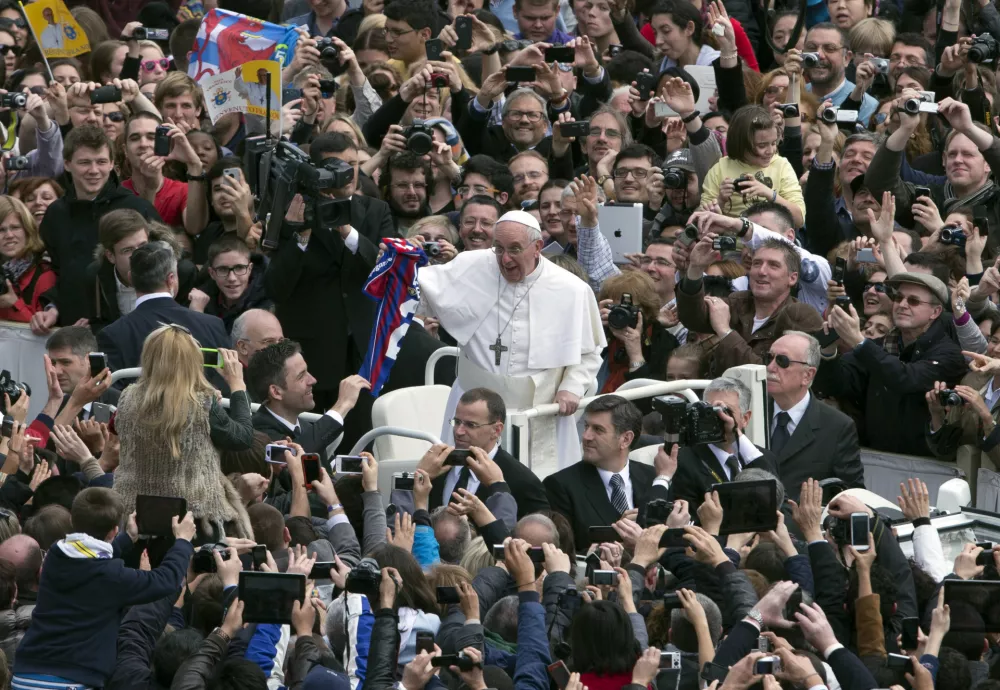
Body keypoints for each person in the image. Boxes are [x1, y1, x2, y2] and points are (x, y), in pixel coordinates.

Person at [418, 210, 605, 477]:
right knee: (460, 480)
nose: (504, 259)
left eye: (515, 249)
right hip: (473, 400)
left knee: (537, 485)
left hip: (538, 408)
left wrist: (572, 388)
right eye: (498, 249)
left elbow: (590, 350)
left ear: (537, 246)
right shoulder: (471, 265)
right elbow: (418, 290)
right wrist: (400, 258)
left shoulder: (571, 289)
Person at [266, 132, 393, 447]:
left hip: (364, 350)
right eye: (336, 166)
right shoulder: (290, 212)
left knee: (361, 442)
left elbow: (386, 273)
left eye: (353, 163)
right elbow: (276, 288)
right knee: (311, 443)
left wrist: (346, 230)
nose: (347, 173)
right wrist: (300, 235)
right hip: (313, 355)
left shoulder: (375, 211)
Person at [11, 488, 196, 689]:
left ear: (73, 520)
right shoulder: (113, 577)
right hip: (69, 681)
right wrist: (182, 542)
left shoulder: (55, 555)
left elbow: (92, 561)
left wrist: (127, 539)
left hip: (24, 673)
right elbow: (165, 580)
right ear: (113, 530)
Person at [113, 325, 253, 540]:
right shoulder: (202, 403)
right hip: (194, 520)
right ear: (192, 361)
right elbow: (242, 437)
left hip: (135, 517)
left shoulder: (127, 398)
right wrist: (237, 386)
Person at [818, 269, 968, 456]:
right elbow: (834, 385)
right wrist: (828, 350)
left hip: (926, 467)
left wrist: (858, 340)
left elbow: (905, 378)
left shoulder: (949, 354)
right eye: (898, 298)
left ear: (935, 312)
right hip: (874, 458)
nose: (902, 305)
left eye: (913, 301)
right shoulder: (878, 346)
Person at [34, 125, 160, 332]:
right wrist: (53, 307)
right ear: (67, 164)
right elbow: (57, 272)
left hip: (128, 329)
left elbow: (160, 271)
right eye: (84, 162)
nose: (94, 171)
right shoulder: (55, 214)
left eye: (101, 162)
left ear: (112, 164)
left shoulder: (137, 209)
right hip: (72, 329)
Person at [676, 235, 821, 376]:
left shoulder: (801, 317)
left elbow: (770, 375)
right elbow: (691, 317)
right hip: (721, 396)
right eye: (757, 263)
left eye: (773, 265)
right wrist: (695, 268)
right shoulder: (738, 301)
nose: (762, 271)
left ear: (792, 278)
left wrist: (725, 332)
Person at [95, 241, 230, 380]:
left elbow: (110, 394)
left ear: (131, 279)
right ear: (171, 279)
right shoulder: (213, 326)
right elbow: (227, 383)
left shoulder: (112, 334)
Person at [543, 395, 654, 547]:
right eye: (586, 426)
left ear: (626, 439)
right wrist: (619, 535)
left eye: (598, 430)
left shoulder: (654, 477)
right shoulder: (560, 486)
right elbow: (565, 553)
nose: (586, 436)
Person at [765, 332, 864, 500]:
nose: (770, 367)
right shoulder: (749, 412)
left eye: (782, 361)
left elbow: (852, 494)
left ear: (808, 375)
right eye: (769, 358)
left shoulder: (837, 426)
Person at [422, 387, 549, 518]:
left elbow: (540, 533)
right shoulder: (436, 465)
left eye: (471, 425)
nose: (459, 431)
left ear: (497, 430)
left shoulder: (522, 481)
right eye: (457, 422)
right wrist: (420, 476)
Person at [246, 339, 371, 467]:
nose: (313, 380)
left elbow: (328, 471)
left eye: (307, 371)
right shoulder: (258, 435)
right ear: (276, 392)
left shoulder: (305, 428)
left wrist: (359, 469)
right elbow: (296, 458)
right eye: (301, 376)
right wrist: (342, 404)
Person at [665, 376, 778, 512]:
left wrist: (735, 434)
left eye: (726, 411)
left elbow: (780, 506)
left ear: (745, 419)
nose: (717, 418)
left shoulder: (763, 457)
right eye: (710, 411)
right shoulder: (685, 461)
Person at [84, 209, 198, 332]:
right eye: (128, 250)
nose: (140, 255)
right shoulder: (96, 276)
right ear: (110, 256)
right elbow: (99, 323)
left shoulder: (180, 272)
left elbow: (186, 325)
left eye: (143, 245)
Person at [699, 105, 805, 227]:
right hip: (732, 242)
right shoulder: (719, 169)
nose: (770, 151)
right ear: (741, 143)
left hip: (772, 243)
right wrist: (720, 201)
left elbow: (799, 220)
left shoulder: (781, 165)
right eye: (762, 145)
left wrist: (769, 194)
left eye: (773, 143)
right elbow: (702, 224)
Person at [120, 114, 208, 237]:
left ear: (166, 144)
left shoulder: (181, 190)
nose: (144, 144)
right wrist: (150, 189)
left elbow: (195, 228)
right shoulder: (116, 193)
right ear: (125, 151)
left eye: (151, 137)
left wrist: (194, 165)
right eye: (135, 138)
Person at [187, 236, 272, 334]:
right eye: (223, 269)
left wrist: (197, 315)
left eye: (239, 268)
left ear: (249, 269)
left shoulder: (267, 303)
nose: (232, 278)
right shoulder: (200, 299)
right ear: (212, 273)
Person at [802, 25, 879, 125]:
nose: (819, 55)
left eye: (829, 48)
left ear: (846, 58)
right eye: (812, 48)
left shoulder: (868, 106)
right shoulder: (795, 94)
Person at [45, 326, 121, 422]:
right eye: (53, 363)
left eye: (65, 362)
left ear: (89, 360)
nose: (56, 371)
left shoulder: (120, 405)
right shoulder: (58, 404)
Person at [0, 196, 55, 323]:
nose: (9, 235)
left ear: (27, 230)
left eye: (15, 227)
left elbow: (41, 333)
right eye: (1, 230)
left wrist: (14, 304)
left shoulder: (44, 275)